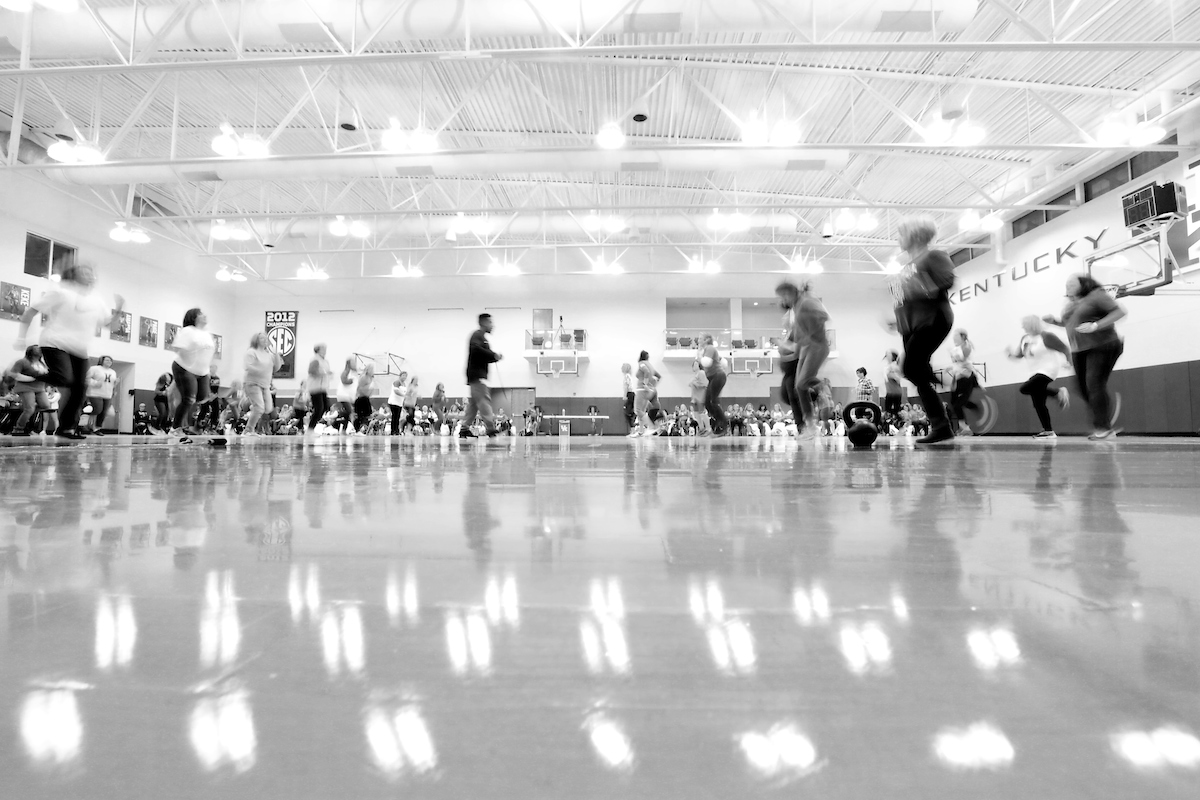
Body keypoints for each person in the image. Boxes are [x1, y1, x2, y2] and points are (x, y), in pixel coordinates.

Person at [13, 264, 125, 440]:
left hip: (79, 349)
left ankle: (67, 428)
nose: (89, 275)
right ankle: (30, 372)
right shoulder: (60, 293)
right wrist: (21, 337)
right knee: (65, 378)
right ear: (73, 276)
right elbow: (31, 311)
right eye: (84, 272)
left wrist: (118, 311)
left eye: (91, 272)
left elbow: (108, 324)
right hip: (54, 342)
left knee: (80, 389)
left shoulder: (97, 301)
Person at [889, 215, 956, 444]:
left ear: (913, 235)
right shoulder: (906, 267)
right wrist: (896, 321)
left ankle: (942, 420)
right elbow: (901, 299)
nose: (898, 239)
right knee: (913, 372)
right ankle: (941, 426)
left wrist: (918, 289)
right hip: (911, 325)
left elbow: (947, 280)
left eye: (900, 234)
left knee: (910, 367)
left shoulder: (933, 255)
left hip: (933, 319)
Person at [1043, 273, 1127, 440]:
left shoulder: (1096, 296)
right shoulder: (1070, 304)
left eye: (1072, 284)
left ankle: (1103, 428)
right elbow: (1069, 323)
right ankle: (1104, 419)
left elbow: (1119, 312)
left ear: (1084, 284)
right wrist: (1055, 321)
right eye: (1066, 285)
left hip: (1103, 345)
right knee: (1081, 388)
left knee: (1094, 384)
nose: (1068, 287)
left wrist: (1096, 325)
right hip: (1079, 350)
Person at [1007, 315, 1072, 439]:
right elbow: (1020, 355)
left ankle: (1057, 392)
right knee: (1038, 403)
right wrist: (1011, 354)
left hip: (1047, 369)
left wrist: (1069, 362)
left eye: (1024, 324)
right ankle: (1049, 431)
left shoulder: (1046, 336)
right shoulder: (1024, 338)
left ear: (1031, 324)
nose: (1022, 327)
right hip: (1033, 372)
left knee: (1024, 388)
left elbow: (1064, 348)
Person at [789, 281, 831, 440]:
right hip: (806, 348)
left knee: (802, 383)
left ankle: (822, 389)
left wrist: (812, 333)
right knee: (799, 387)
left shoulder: (808, 302)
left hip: (816, 345)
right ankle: (810, 426)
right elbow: (797, 335)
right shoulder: (796, 308)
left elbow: (824, 316)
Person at [169, 308, 217, 442]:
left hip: (202, 372)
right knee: (189, 398)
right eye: (200, 314)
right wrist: (190, 357)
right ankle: (175, 428)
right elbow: (177, 348)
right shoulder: (188, 331)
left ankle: (186, 420)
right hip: (184, 367)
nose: (204, 316)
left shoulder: (207, 334)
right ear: (193, 318)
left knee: (203, 398)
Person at [462, 313, 502, 438]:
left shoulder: (483, 338)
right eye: (490, 322)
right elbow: (476, 350)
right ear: (483, 323)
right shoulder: (477, 335)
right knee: (484, 400)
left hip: (477, 375)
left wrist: (494, 357)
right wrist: (493, 355)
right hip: (477, 375)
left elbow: (484, 355)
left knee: (474, 404)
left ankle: (464, 428)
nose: (492, 325)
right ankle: (490, 428)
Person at [6, 345, 52, 437]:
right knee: (30, 409)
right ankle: (18, 428)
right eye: (37, 349)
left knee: (46, 405)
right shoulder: (22, 362)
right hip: (25, 387)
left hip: (39, 388)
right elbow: (13, 374)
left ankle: (26, 411)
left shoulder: (42, 363)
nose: (39, 350)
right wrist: (31, 378)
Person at [775, 282, 804, 426]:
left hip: (795, 367)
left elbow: (798, 349)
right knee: (786, 396)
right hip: (788, 370)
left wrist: (782, 345)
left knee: (793, 396)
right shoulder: (790, 332)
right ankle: (802, 425)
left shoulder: (797, 327)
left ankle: (803, 427)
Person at [243, 332, 282, 437]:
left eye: (266, 338)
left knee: (268, 409)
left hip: (265, 385)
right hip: (252, 383)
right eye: (262, 338)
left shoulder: (268, 355)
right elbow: (248, 366)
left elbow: (276, 368)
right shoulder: (251, 352)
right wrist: (262, 370)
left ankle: (253, 407)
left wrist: (276, 354)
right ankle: (248, 430)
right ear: (256, 340)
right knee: (260, 408)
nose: (265, 340)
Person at [947, 329, 984, 435]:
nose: (954, 337)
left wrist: (954, 355)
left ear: (962, 337)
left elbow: (963, 359)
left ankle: (965, 428)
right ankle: (971, 407)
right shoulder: (955, 349)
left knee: (958, 405)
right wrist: (950, 367)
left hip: (966, 378)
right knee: (954, 402)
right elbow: (957, 364)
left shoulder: (966, 346)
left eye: (956, 335)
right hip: (958, 378)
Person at [699, 335, 728, 435]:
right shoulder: (707, 350)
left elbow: (706, 363)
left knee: (712, 401)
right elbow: (721, 360)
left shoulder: (709, 348)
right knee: (707, 402)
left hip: (718, 376)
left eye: (700, 339)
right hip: (714, 377)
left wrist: (700, 357)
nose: (698, 341)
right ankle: (716, 427)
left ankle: (723, 426)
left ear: (706, 340)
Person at [83, 355, 118, 435]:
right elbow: (86, 378)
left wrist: (114, 390)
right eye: (107, 360)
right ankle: (86, 424)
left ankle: (97, 428)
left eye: (110, 360)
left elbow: (112, 383)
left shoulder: (113, 372)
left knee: (104, 412)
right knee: (97, 409)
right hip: (95, 393)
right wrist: (95, 383)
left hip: (107, 394)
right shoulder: (95, 369)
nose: (109, 362)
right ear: (101, 361)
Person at [629, 350, 661, 437]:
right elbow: (658, 376)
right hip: (649, 390)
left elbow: (646, 371)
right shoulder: (650, 365)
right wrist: (653, 385)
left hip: (642, 389)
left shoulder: (641, 363)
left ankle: (651, 427)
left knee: (638, 410)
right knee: (642, 412)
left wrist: (645, 383)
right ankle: (641, 431)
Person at [306, 344, 333, 434]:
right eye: (323, 348)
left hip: (322, 387)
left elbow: (325, 372)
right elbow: (311, 371)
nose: (325, 350)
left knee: (325, 407)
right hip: (315, 387)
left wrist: (328, 374)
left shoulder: (324, 361)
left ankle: (311, 428)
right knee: (319, 408)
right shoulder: (315, 359)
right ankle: (310, 430)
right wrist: (323, 374)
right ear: (318, 350)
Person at [688, 360, 710, 435]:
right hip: (694, 398)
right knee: (696, 414)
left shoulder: (701, 373)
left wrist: (694, 383)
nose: (695, 366)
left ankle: (708, 429)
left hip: (701, 396)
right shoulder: (694, 375)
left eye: (696, 364)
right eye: (693, 365)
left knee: (702, 413)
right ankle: (702, 429)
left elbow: (705, 384)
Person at [354, 364, 376, 434]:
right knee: (361, 416)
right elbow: (360, 389)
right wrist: (367, 390)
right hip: (361, 399)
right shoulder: (363, 377)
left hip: (366, 398)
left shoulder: (370, 379)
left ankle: (362, 429)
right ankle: (358, 429)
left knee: (367, 415)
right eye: (372, 370)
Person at [882, 351, 903, 416]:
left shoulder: (894, 366)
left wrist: (892, 375)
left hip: (895, 392)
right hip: (889, 391)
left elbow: (898, 378)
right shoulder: (887, 366)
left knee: (895, 411)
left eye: (889, 355)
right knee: (887, 411)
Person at [388, 371, 408, 436]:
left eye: (405, 376)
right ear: (400, 376)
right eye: (403, 375)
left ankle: (396, 430)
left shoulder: (404, 384)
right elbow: (396, 391)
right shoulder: (397, 382)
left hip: (399, 403)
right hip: (393, 402)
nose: (404, 377)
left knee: (398, 417)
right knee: (394, 416)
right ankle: (393, 431)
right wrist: (403, 395)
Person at [621, 363, 635, 433]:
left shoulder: (627, 376)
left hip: (630, 394)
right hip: (631, 394)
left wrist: (625, 395)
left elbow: (627, 386)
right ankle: (633, 429)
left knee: (628, 412)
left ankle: (633, 429)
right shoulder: (628, 376)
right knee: (629, 412)